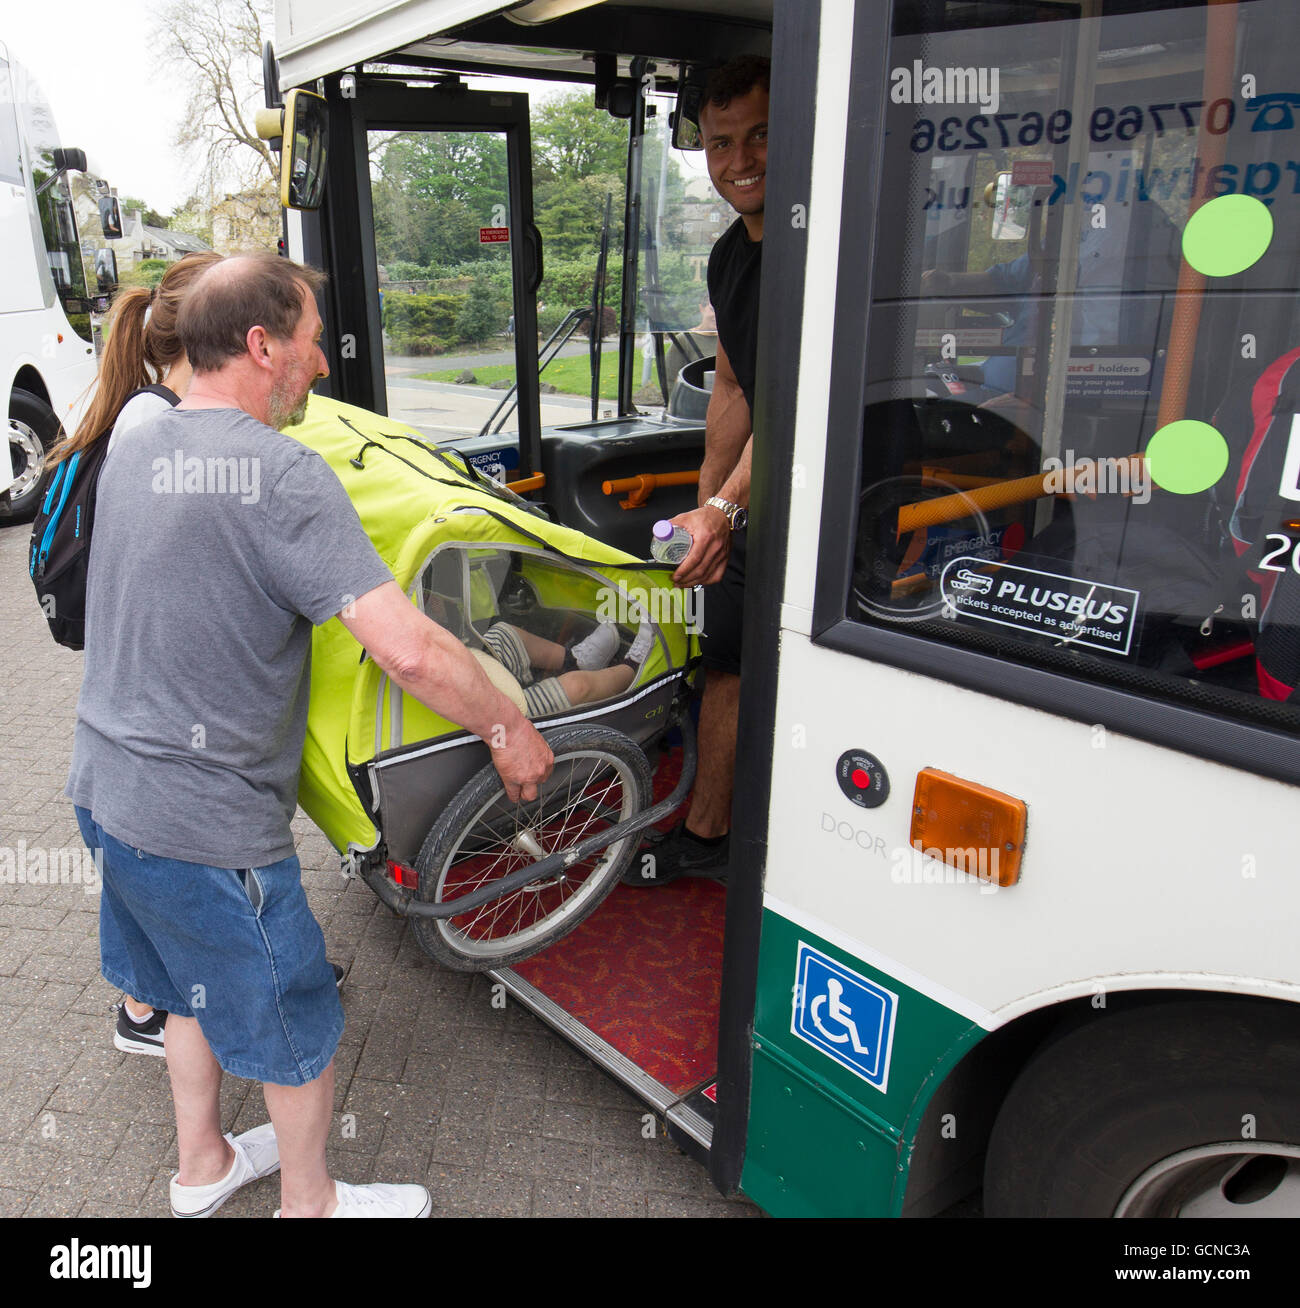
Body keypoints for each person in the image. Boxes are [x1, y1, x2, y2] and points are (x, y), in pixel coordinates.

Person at [68, 252, 553, 1219]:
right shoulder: (281, 475)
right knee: (294, 1018)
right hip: (206, 828)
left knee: (179, 989)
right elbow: (410, 652)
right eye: (313, 341)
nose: (323, 365)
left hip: (104, 792)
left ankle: (201, 1169)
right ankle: (312, 1203)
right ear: (262, 345)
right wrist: (508, 724)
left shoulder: (135, 432)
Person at [624, 55, 768, 886]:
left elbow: (794, 406)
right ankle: (715, 821)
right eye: (720, 143)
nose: (738, 161)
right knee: (724, 652)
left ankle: (711, 834)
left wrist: (726, 511)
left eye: (756, 137)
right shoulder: (728, 255)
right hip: (750, 496)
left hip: (822, 509)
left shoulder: (811, 250)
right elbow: (736, 388)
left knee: (736, 663)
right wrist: (701, 508)